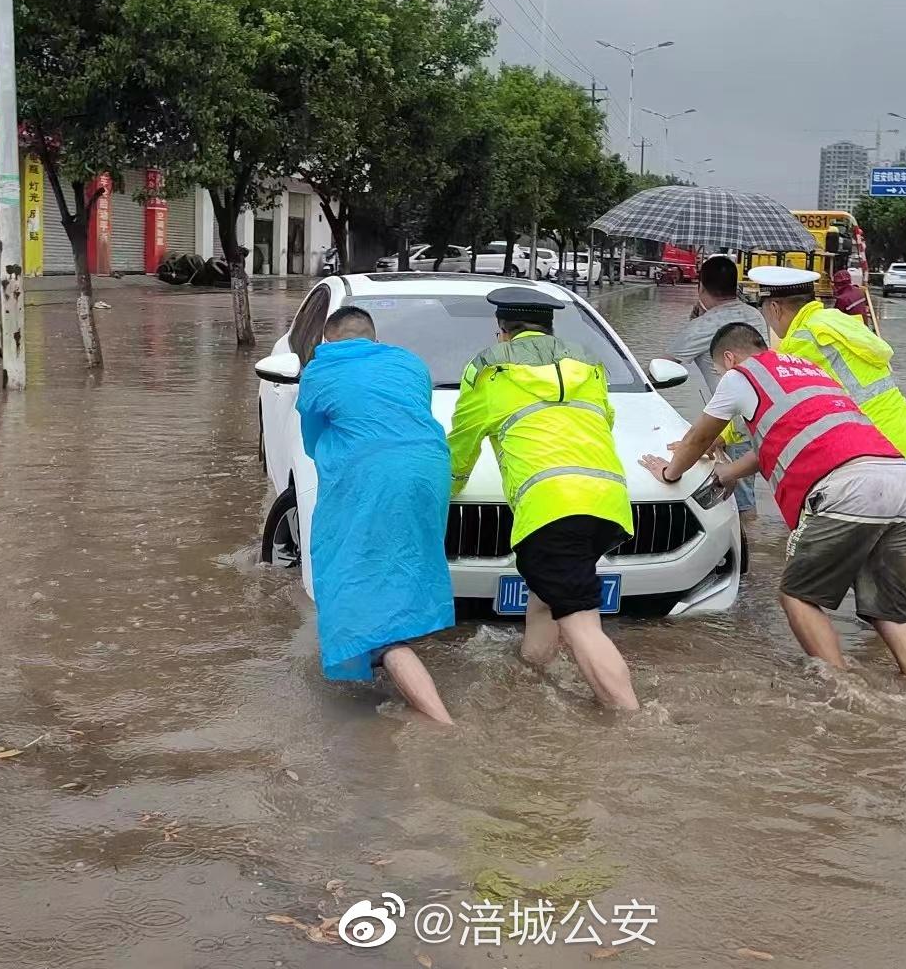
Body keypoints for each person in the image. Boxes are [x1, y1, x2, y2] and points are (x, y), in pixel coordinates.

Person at [639, 323, 906, 683]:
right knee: (890, 613)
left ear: (729, 359)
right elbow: (786, 441)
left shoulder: (740, 376)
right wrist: (728, 472)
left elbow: (699, 436)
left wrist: (670, 473)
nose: (721, 378)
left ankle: (842, 692)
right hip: (900, 481)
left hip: (848, 487)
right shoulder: (809, 371)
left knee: (797, 597)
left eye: (718, 371)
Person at [750, 266, 906, 633]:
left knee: (873, 570)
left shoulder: (802, 343)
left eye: (765, 312)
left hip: (880, 460)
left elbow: (765, 399)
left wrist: (720, 439)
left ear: (775, 309)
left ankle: (888, 643)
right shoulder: (843, 324)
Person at [448, 288, 640, 710]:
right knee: (545, 601)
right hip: (608, 503)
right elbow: (605, 420)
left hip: (550, 509)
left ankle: (631, 722)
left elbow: (460, 448)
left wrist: (446, 493)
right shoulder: (587, 365)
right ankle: (533, 677)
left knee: (582, 624)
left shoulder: (488, 372)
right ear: (550, 329)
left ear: (503, 333)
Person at [295, 307, 456, 723]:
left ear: (329, 342)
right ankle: (391, 641)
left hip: (371, 479)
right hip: (430, 472)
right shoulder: (409, 362)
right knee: (400, 561)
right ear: (373, 336)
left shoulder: (319, 372)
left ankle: (438, 719)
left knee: (354, 579)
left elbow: (313, 443)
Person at [665, 255, 767, 526]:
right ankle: (754, 548)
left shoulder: (702, 325)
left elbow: (661, 368)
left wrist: (694, 324)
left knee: (739, 501)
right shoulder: (754, 315)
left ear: (701, 287)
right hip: (760, 416)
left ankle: (748, 554)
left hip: (730, 422)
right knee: (742, 490)